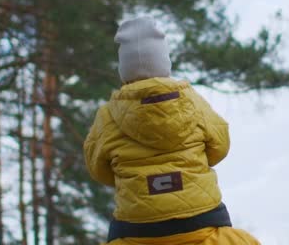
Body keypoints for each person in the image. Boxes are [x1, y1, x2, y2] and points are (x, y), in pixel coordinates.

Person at [84, 17, 260, 244]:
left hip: (136, 229)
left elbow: (97, 169)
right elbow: (220, 146)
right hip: (201, 220)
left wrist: (130, 175)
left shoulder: (107, 116)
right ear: (165, 63)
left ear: (123, 70)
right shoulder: (192, 102)